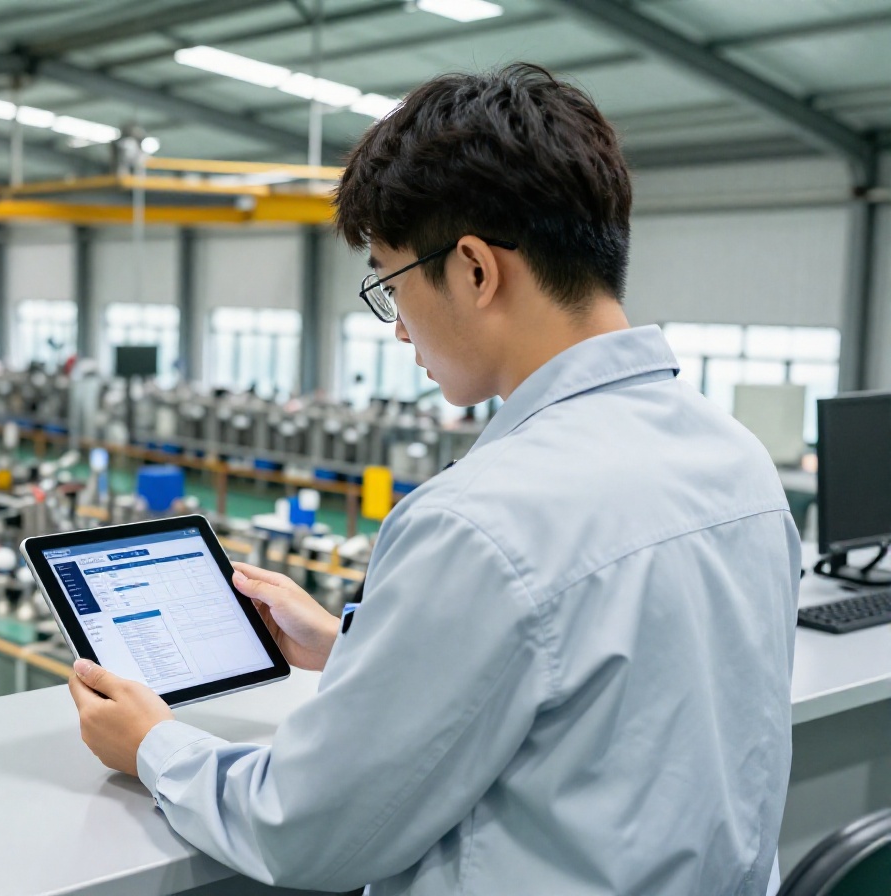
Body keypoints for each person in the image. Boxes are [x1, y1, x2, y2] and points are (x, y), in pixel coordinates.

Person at [68, 63, 799, 895]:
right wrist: (357, 646)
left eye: (388, 281)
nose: (398, 329)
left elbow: (306, 829)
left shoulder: (480, 520)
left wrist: (154, 745)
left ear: (476, 270)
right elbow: (597, 682)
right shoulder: (738, 462)